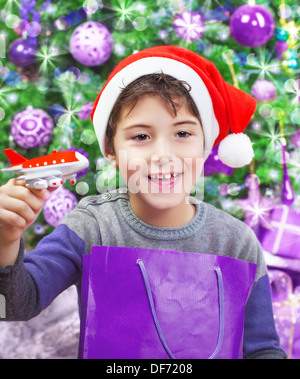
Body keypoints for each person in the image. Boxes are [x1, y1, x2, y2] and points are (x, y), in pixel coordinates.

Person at [0, 46, 286, 359]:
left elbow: (262, 350)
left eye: (182, 133)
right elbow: (13, 306)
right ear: (111, 149)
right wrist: (6, 240)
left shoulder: (236, 243)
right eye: (141, 137)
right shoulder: (91, 228)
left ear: (205, 144)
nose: (162, 155)